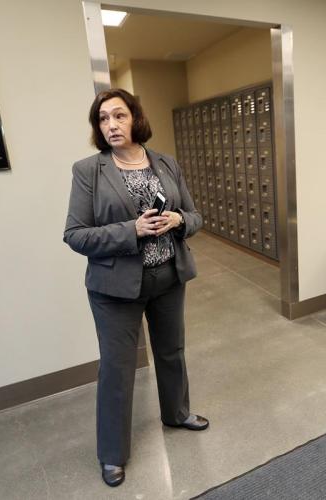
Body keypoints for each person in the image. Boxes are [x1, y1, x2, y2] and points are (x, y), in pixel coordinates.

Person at [64, 88, 207, 487]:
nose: (111, 124)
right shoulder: (88, 170)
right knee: (117, 368)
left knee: (172, 351)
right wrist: (133, 230)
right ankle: (112, 453)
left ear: (135, 119)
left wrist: (179, 221)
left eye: (118, 116)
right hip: (114, 289)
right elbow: (75, 235)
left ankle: (177, 413)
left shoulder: (165, 162)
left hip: (168, 278)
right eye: (103, 118)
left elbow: (195, 216)